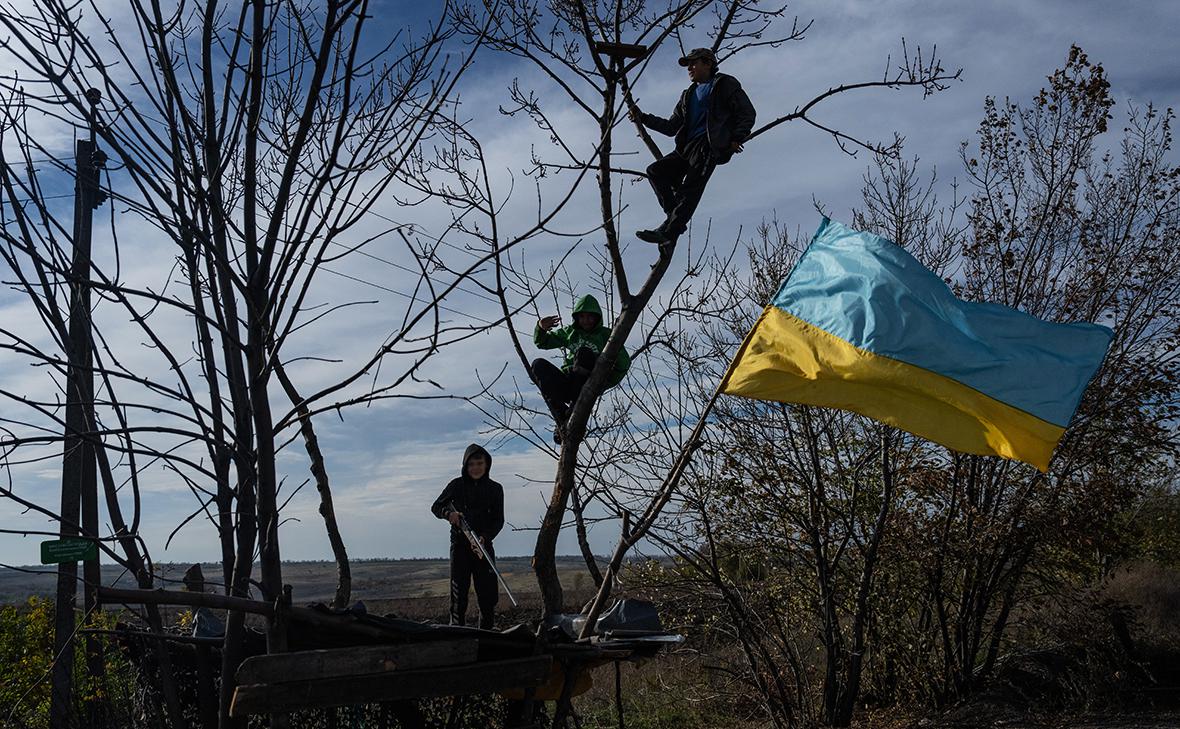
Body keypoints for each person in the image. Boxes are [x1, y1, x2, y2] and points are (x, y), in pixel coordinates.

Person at [629, 47, 756, 246]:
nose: (689, 68)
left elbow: (746, 112)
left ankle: (669, 231)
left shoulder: (724, 84)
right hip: (685, 148)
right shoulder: (688, 95)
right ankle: (674, 217)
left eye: (693, 63)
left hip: (708, 145)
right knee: (655, 171)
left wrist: (736, 137)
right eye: (688, 64)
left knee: (690, 190)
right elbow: (671, 127)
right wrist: (642, 118)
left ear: (708, 63)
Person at [532, 294, 630, 441]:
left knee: (584, 353)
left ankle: (575, 411)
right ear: (577, 317)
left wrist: (605, 383)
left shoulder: (605, 335)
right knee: (537, 364)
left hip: (587, 383)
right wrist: (541, 328)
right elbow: (543, 343)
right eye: (582, 317)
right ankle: (562, 418)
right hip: (569, 381)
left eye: (590, 317)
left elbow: (623, 363)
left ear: (597, 317)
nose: (586, 321)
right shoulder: (571, 333)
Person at [430, 444, 504, 630]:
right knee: (459, 596)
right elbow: (436, 507)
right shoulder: (456, 485)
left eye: (479, 463)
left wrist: (485, 538)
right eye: (471, 464)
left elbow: (498, 520)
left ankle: (486, 638)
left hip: (483, 548)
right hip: (460, 548)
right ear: (465, 466)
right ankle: (456, 637)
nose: (475, 467)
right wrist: (449, 515)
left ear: (487, 464)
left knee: (488, 597)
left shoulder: (496, 489)